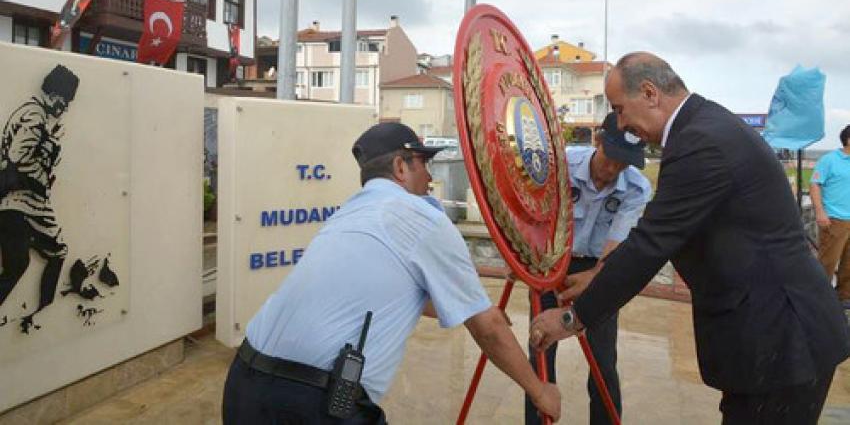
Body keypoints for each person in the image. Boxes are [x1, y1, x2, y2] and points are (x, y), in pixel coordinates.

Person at [531, 52, 850, 425]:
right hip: (774, 335)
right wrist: (599, 277)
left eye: (620, 110)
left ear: (650, 93)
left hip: (782, 339)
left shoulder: (702, 142)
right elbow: (663, 232)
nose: (621, 124)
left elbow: (652, 243)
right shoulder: (703, 127)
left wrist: (573, 319)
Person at [222, 122, 561, 424]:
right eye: (424, 165)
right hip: (314, 403)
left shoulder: (349, 213)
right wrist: (539, 390)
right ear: (401, 167)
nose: (431, 177)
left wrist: (469, 305)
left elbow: (398, 292)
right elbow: (488, 330)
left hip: (243, 384)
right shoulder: (421, 216)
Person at [525, 112, 651, 425]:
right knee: (541, 347)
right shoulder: (559, 167)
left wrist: (595, 278)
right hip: (551, 260)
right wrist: (525, 258)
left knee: (602, 357)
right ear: (598, 141)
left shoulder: (636, 188)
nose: (613, 169)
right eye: (610, 157)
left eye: (624, 162)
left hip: (601, 266)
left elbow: (617, 243)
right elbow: (533, 215)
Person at [0, 64, 79, 333]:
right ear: (56, 96)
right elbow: (17, 158)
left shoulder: (29, 113)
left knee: (16, 266)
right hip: (26, 202)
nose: (65, 108)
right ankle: (46, 310)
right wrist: (41, 177)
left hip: (13, 203)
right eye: (65, 101)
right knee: (57, 252)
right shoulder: (35, 116)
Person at [811, 124, 850, 308]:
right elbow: (815, 184)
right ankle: (819, 299)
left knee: (849, 264)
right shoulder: (829, 160)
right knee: (828, 261)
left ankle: (844, 296)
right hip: (834, 220)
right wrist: (820, 211)